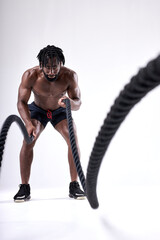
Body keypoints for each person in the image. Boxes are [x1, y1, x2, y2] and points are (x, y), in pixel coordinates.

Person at [14, 45, 85, 202]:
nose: (51, 71)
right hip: (38, 111)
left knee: (71, 137)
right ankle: (24, 187)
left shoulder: (70, 76)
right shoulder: (30, 75)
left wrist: (70, 103)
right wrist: (27, 123)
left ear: (61, 63)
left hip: (60, 111)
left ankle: (74, 185)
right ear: (41, 65)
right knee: (28, 140)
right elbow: (21, 102)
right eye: (48, 67)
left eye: (55, 67)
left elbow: (78, 103)